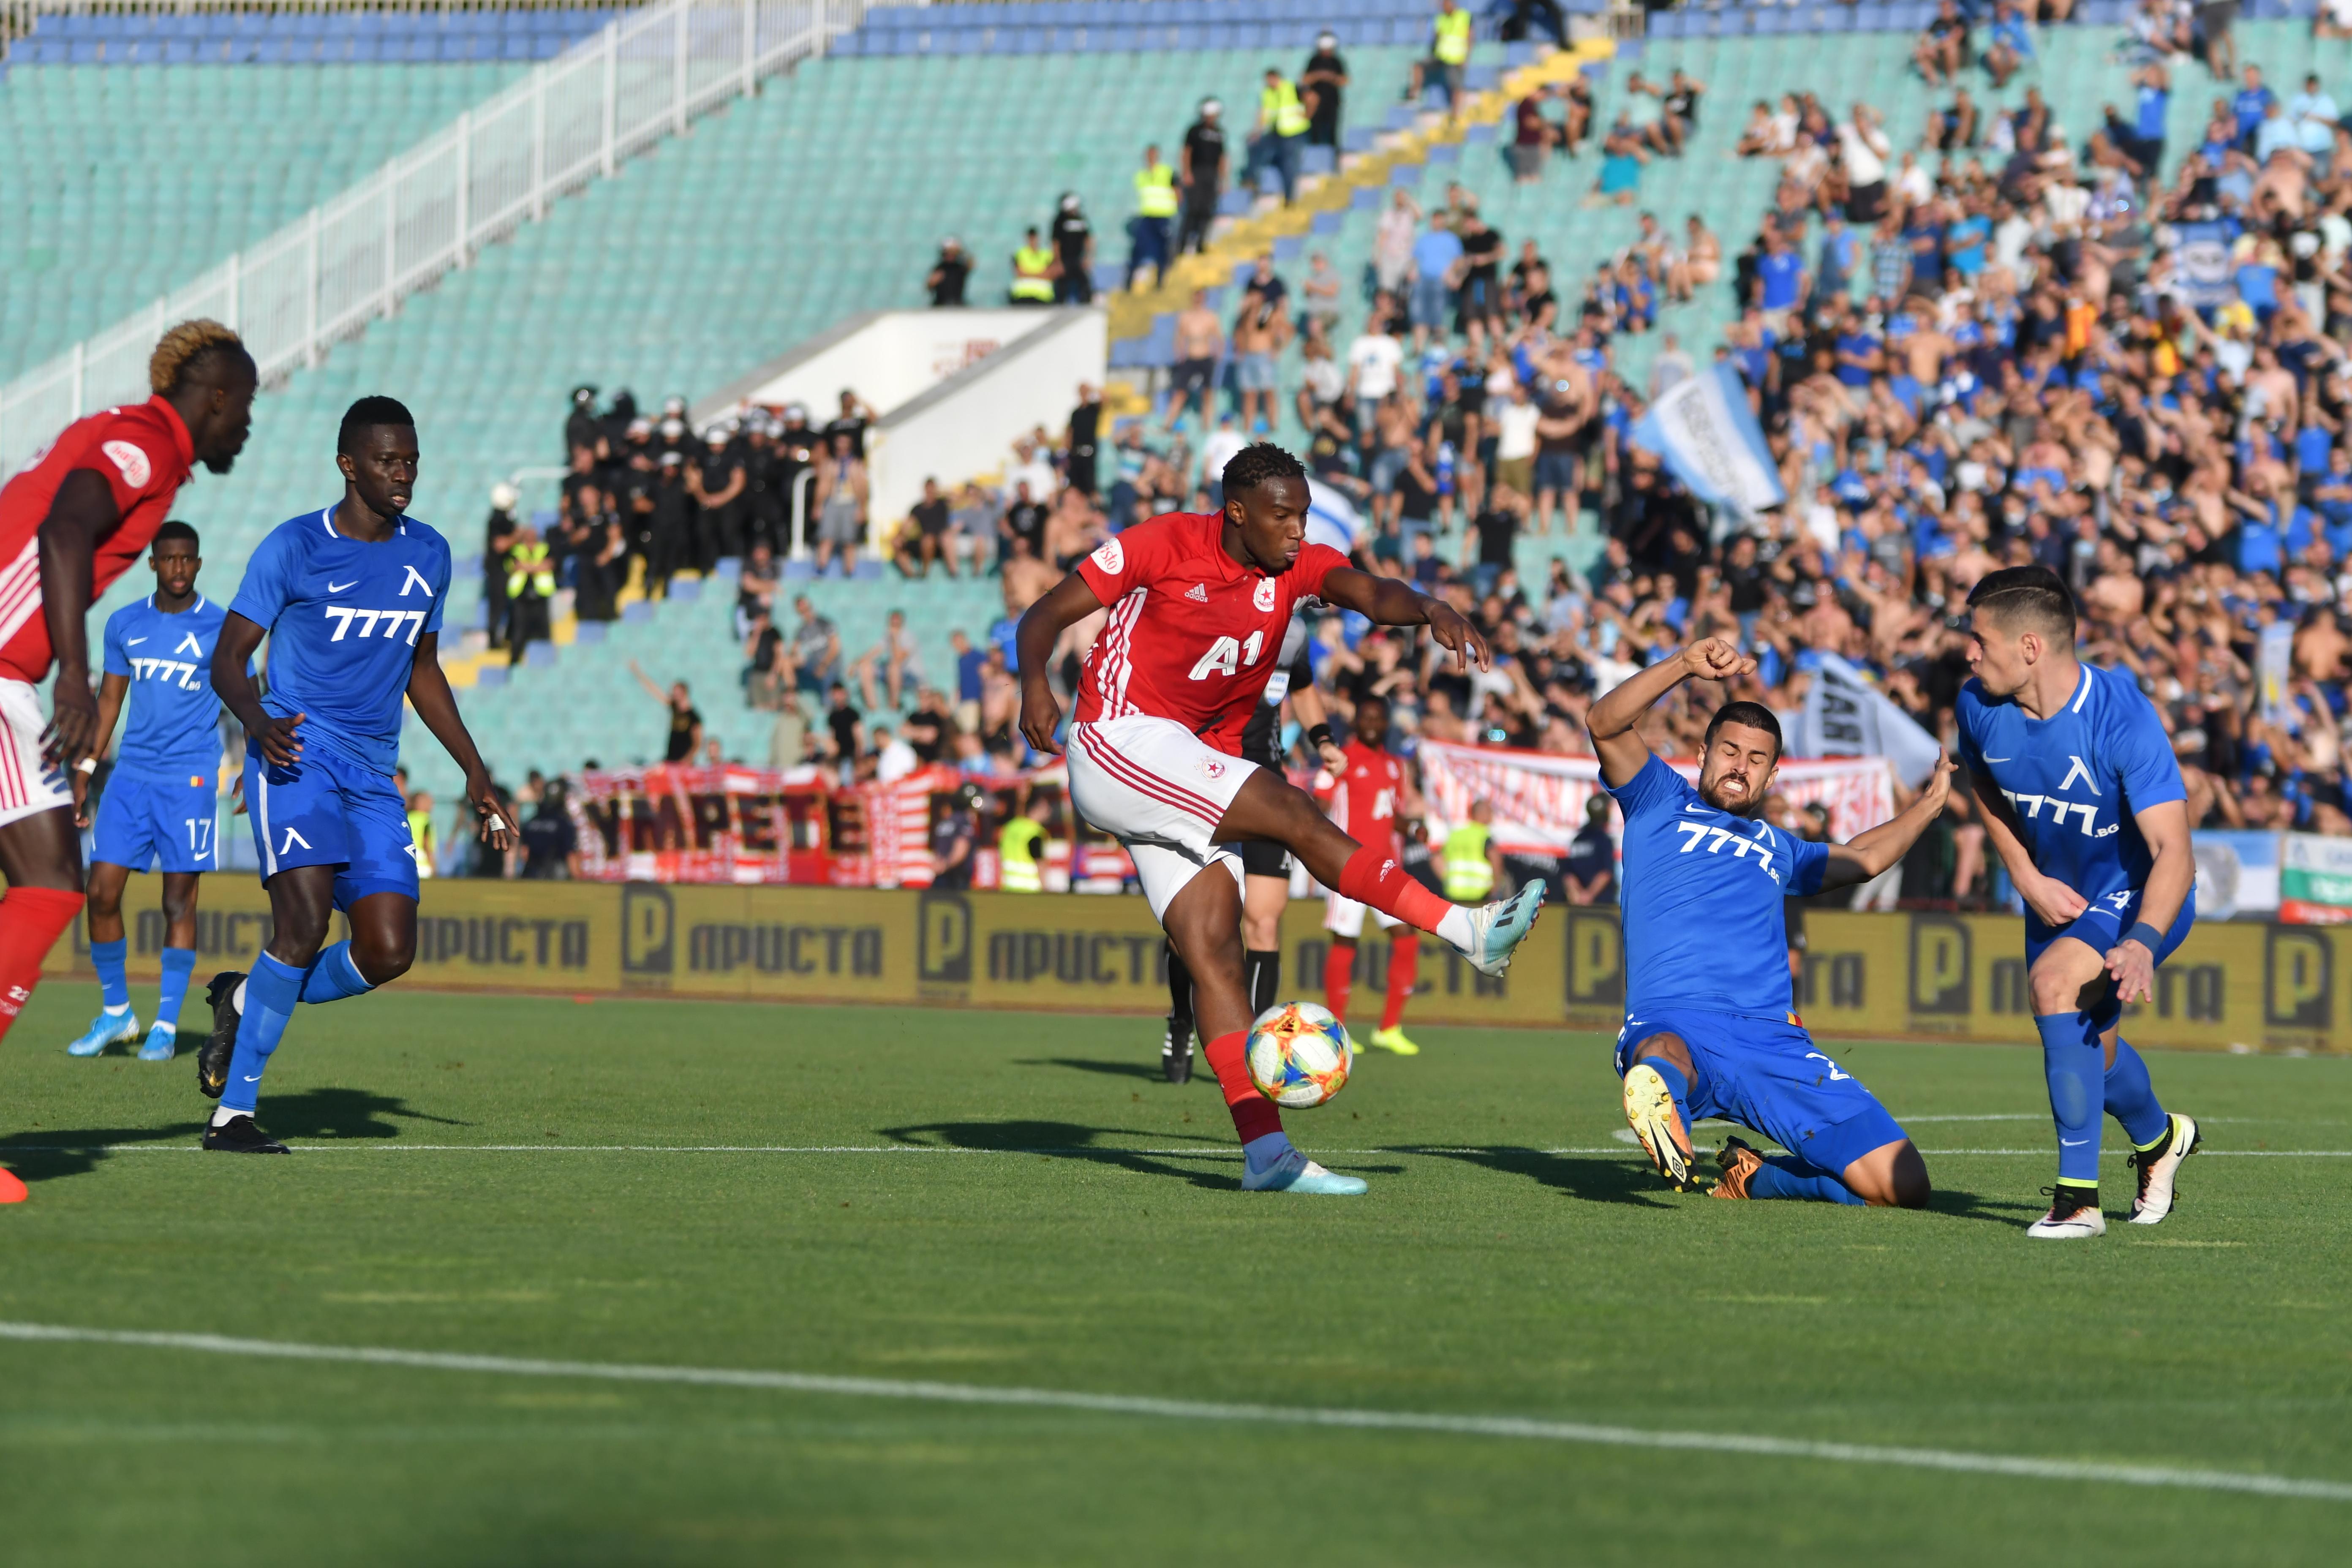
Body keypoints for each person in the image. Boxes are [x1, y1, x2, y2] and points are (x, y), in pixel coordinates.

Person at [1015, 444, 1547, 1196]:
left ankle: (1265, 1154)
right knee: (1292, 809)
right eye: (1281, 515)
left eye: (1301, 513)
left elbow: (1366, 589)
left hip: (1181, 760)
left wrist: (1429, 607)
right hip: (1119, 739)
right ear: (1235, 512)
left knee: (1215, 953)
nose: (1297, 530)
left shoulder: (1293, 567)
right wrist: (1034, 685)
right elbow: (1044, 613)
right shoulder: (1161, 542)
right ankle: (1467, 931)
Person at [197, 395, 516, 1154]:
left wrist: (475, 770)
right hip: (295, 751)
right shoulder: (294, 547)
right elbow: (227, 658)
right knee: (301, 928)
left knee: (387, 952)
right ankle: (232, 1114)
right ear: (349, 465)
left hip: (374, 774)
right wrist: (257, 721)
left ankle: (242, 996)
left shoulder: (429, 553)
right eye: (386, 460)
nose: (402, 473)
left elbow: (423, 668)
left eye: (410, 460)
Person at [0, 320, 256, 1199]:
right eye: (246, 407)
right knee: (48, 880)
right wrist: (75, 673)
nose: (248, 427)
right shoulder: (142, 443)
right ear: (216, 396)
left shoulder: (134, 439)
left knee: (49, 880)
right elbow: (67, 531)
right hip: (3, 667)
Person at [1589, 636, 1955, 1208]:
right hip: (1679, 1023)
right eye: (1730, 751)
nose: (1741, 766)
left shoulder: (1780, 848)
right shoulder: (1658, 799)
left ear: (1774, 774)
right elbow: (1605, 723)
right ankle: (1668, 1121)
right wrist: (1686, 665)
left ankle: (1755, 1177)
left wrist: (1930, 807)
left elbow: (1865, 859)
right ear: (1704, 752)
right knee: (1660, 1060)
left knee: (1902, 1186)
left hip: (1774, 1043)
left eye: (1757, 759)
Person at [1955, 566, 2202, 1240]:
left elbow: (2175, 852)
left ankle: (2077, 1201)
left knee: (2052, 984)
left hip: (2141, 892)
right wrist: (2023, 874)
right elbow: (1979, 782)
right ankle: (2159, 1140)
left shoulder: (2121, 715)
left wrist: (2142, 942)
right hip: (2054, 898)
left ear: (2030, 646)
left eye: (1979, 638)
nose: (1969, 652)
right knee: (2097, 1050)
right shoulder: (1977, 705)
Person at [63, 521, 234, 1063]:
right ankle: (118, 1013)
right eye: (169, 559)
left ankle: (164, 1023)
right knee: (101, 892)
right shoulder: (125, 623)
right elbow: (109, 701)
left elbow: (247, 698)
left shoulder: (222, 627)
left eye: (188, 560)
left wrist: (254, 767)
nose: (179, 568)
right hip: (131, 777)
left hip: (189, 781)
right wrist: (87, 764)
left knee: (177, 900)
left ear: (199, 564)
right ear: (154, 564)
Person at [1162, 613, 1343, 1083]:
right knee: (1193, 930)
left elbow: (1300, 686)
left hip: (1264, 789)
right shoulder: (1214, 611)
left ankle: (1257, 1051)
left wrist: (1321, 738)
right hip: (1202, 784)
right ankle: (1182, 1021)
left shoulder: (1296, 631)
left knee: (1264, 922)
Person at [1320, 696, 1424, 1056]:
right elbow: (1318, 803)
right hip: (1349, 866)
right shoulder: (1343, 761)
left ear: (1386, 724)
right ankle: (1336, 1031)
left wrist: (1411, 827)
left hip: (1386, 870)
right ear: (1356, 722)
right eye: (1365, 716)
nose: (1371, 722)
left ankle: (1389, 1027)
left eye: (1378, 718)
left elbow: (1389, 814)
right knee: (1345, 942)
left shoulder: (1395, 766)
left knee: (1407, 939)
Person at [1246, 68, 1311, 204]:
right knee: (1255, 149)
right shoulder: (1267, 93)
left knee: (1288, 165)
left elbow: (1312, 98)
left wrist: (1308, 115)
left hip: (1293, 133)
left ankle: (1289, 197)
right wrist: (1257, 131)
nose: (1269, 83)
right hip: (1275, 132)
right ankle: (1252, 182)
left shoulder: (1292, 87)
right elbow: (1264, 113)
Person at [1409, 0, 1473, 124]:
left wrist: (1466, 57)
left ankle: (1455, 116)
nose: (1443, 7)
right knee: (1418, 66)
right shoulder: (1440, 18)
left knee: (1456, 87)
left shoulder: (1464, 16)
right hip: (1441, 56)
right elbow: (1437, 36)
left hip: (1456, 58)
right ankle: (1414, 96)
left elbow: (1470, 37)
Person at [627, 661, 703, 764]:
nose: (673, 694)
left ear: (684, 692)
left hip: (683, 763)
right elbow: (655, 691)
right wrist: (638, 673)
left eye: (676, 691)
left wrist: (686, 762)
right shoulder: (674, 708)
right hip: (670, 759)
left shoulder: (694, 717)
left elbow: (697, 744)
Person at [1177, 98, 1226, 257]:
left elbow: (1222, 158)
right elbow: (1187, 152)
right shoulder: (1194, 131)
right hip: (1197, 171)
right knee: (1193, 209)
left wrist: (1222, 179)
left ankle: (1200, 243)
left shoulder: (1219, 133)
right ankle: (1183, 243)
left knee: (1207, 210)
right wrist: (1187, 172)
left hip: (1211, 174)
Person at [1127, 145, 1178, 291]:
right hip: (1148, 215)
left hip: (1163, 216)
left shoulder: (1166, 172)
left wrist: (1176, 205)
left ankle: (1160, 282)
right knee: (1139, 249)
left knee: (1164, 250)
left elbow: (1177, 189)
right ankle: (1129, 282)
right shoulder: (1141, 175)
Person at [504, 524, 554, 665]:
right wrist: (537, 567)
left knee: (544, 630)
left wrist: (527, 567)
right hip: (521, 595)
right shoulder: (517, 550)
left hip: (541, 594)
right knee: (519, 630)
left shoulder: (545, 548)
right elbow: (515, 565)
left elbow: (549, 564)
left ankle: (546, 662)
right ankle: (515, 660)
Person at [482, 482, 519, 647]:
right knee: (498, 606)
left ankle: (506, 637)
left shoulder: (503, 518)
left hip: (503, 568)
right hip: (498, 570)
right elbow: (500, 545)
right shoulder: (498, 520)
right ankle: (494, 641)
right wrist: (518, 536)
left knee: (508, 605)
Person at [1301, 31, 1348, 148]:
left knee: (1332, 130)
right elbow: (1305, 79)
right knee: (1315, 131)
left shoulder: (1336, 61)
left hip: (1332, 102)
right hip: (1316, 104)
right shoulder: (1314, 61)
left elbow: (1345, 81)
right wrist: (1319, 75)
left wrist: (1331, 77)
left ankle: (1333, 154)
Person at [1050, 193, 1094, 305]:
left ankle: (1086, 305)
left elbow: (1088, 239)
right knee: (1061, 286)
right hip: (1065, 259)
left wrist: (1088, 257)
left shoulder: (1082, 220)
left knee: (1084, 283)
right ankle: (1059, 306)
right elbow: (1056, 243)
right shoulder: (1059, 221)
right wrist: (1058, 262)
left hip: (1078, 258)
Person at [1010, 226, 1057, 305]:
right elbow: (1019, 273)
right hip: (1022, 296)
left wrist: (1028, 273)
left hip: (1043, 297)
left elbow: (1050, 274)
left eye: (1034, 237)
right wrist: (1040, 273)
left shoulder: (1047, 255)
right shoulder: (1020, 254)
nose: (1032, 240)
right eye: (1031, 238)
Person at [926, 236, 971, 307]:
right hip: (941, 304)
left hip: (957, 304)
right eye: (948, 253)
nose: (950, 256)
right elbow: (929, 286)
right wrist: (933, 281)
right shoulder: (939, 268)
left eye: (953, 253)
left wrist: (962, 251)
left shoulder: (959, 267)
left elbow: (971, 264)